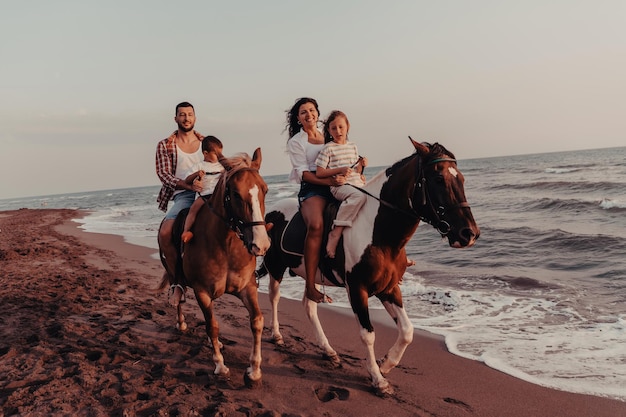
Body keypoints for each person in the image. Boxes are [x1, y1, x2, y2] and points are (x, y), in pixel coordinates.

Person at [286, 97, 346, 303]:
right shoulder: (296, 142)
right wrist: (330, 180)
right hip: (312, 188)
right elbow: (304, 174)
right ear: (298, 118)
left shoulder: (328, 135)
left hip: (336, 183)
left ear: (317, 114)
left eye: (312, 110)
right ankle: (311, 285)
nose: (309, 114)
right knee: (317, 226)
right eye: (303, 112)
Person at [156, 101, 204, 306]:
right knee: (166, 231)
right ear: (176, 118)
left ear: (195, 117)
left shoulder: (207, 142)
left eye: (190, 114)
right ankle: (177, 283)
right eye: (182, 115)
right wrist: (187, 185)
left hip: (208, 192)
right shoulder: (165, 145)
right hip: (183, 195)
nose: (186, 118)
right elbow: (164, 174)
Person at [316, 110, 368, 258]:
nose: (338, 131)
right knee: (358, 197)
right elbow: (319, 172)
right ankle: (336, 232)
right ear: (328, 131)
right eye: (333, 128)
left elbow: (355, 170)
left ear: (347, 127)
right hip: (339, 187)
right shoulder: (328, 148)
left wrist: (362, 167)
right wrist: (339, 170)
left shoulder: (353, 146)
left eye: (341, 127)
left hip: (356, 184)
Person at [181, 136, 225, 243]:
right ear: (205, 153)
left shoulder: (222, 166)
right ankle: (186, 231)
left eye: (220, 153)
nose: (219, 156)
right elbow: (187, 180)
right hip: (205, 195)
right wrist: (196, 174)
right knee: (193, 210)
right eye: (216, 154)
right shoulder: (199, 166)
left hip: (220, 195)